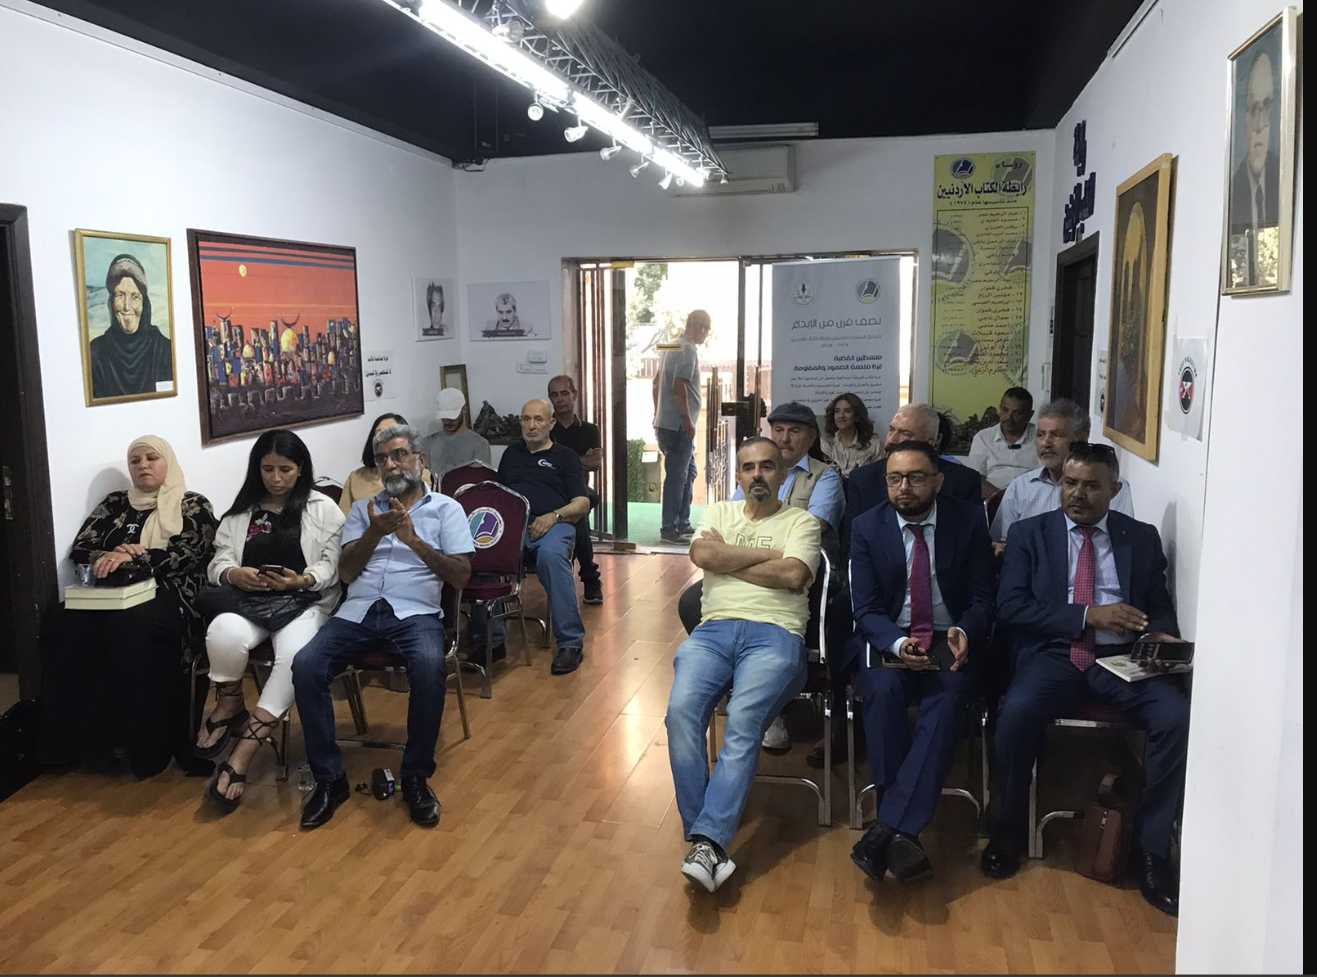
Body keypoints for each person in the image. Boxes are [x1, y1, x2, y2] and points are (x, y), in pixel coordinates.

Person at [982, 443, 1187, 916]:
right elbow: (1011, 607)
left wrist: (1160, 634)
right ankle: (1008, 828)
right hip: (1055, 654)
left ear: (1115, 489)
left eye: (1091, 485)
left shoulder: (1141, 537)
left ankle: (1151, 850)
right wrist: (1088, 615)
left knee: (1175, 716)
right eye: (1070, 483)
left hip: (1123, 657)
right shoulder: (1030, 534)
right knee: (1015, 713)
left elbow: (1159, 603)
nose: (1077, 494)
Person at [291, 423, 473, 829]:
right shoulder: (362, 510)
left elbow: (461, 576)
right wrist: (374, 532)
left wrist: (413, 540)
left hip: (415, 611)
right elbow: (346, 572)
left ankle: (416, 777)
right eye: (382, 458)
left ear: (419, 460)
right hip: (358, 611)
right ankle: (329, 779)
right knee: (306, 665)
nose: (391, 464)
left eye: (399, 455)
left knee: (429, 666)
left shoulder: (447, 509)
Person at [665, 438, 821, 892]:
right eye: (748, 467)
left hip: (776, 635)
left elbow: (794, 575)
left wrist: (728, 560)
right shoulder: (718, 512)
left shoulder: (802, 522)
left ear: (782, 474)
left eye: (767, 467)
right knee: (679, 715)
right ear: (737, 475)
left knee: (743, 720)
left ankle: (706, 842)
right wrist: (770, 557)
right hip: (713, 632)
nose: (757, 475)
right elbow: (702, 556)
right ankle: (707, 839)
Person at [847, 442, 995, 883]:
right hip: (891, 637)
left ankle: (888, 828)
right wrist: (896, 643)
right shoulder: (867, 526)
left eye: (915, 477)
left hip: (950, 638)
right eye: (894, 478)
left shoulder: (967, 521)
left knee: (946, 702)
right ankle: (902, 833)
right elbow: (865, 608)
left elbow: (984, 598)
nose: (904, 487)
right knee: (882, 692)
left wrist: (965, 630)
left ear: (938, 480)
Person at [36, 436, 217, 777]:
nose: (143, 465)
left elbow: (188, 555)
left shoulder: (192, 504)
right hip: (113, 592)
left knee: (132, 627)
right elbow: (81, 547)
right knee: (61, 620)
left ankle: (147, 750)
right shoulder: (115, 503)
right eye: (135, 460)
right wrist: (108, 554)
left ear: (167, 463)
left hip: (171, 592)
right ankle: (77, 745)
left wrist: (136, 557)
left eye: (152, 458)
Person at [195, 430, 345, 813]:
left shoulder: (323, 509)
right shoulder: (242, 511)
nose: (276, 479)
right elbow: (219, 559)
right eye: (267, 469)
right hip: (252, 601)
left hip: (305, 602)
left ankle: (244, 751)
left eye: (285, 470)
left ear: (301, 469)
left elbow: (333, 563)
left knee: (295, 657)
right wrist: (233, 573)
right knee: (222, 632)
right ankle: (230, 703)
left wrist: (302, 579)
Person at [486, 399, 592, 675]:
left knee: (551, 557)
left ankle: (570, 642)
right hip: (514, 526)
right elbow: (498, 495)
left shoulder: (565, 457)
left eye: (538, 419)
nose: (531, 426)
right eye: (526, 419)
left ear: (551, 423)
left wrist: (553, 516)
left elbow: (582, 503)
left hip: (555, 524)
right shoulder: (511, 454)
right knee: (481, 553)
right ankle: (491, 640)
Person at [990, 399, 1134, 549]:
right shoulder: (1021, 487)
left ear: (1081, 439)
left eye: (1056, 435)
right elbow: (1002, 543)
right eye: (1040, 435)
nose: (1046, 443)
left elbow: (1123, 542)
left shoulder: (1108, 486)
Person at [843, 403, 982, 549]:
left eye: (905, 434)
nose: (891, 440)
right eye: (891, 430)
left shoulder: (963, 481)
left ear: (930, 443)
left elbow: (973, 545)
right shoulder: (863, 480)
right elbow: (850, 545)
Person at [653, 310, 711, 543]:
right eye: (707, 329)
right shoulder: (687, 349)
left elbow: (656, 382)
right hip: (678, 426)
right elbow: (679, 386)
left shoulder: (671, 345)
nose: (707, 335)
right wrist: (687, 420)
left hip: (665, 423)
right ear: (701, 327)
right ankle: (669, 529)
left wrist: (657, 414)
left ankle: (682, 522)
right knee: (677, 477)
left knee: (688, 472)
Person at [547, 374, 603, 606]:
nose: (560, 399)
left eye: (565, 393)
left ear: (574, 395)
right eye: (554, 395)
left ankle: (581, 577)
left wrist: (561, 460)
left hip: (579, 490)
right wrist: (579, 459)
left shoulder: (589, 430)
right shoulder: (546, 428)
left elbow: (595, 463)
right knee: (579, 518)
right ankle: (590, 578)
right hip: (551, 491)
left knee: (579, 510)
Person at [88, 253, 174, 400]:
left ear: (144, 304)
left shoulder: (164, 350)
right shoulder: (96, 352)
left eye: (135, 296)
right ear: (111, 302)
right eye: (120, 295)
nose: (127, 306)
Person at [1228, 50, 1281, 286]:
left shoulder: (1282, 183)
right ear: (1244, 119)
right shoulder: (1234, 193)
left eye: (1267, 107)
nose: (1260, 124)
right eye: (1254, 109)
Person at [339, 412, 434, 514]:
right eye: (379, 434)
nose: (386, 438)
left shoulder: (420, 474)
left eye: (392, 433)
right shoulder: (355, 478)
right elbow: (343, 518)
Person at [966, 387, 1039, 497]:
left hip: (1032, 498)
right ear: (999, 409)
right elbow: (975, 478)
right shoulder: (983, 438)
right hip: (993, 500)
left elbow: (1049, 475)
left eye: (1017, 413)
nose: (1009, 417)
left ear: (1029, 415)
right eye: (1005, 410)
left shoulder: (1042, 437)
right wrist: (1003, 499)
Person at [419, 389, 492, 479]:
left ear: (464, 409)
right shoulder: (426, 444)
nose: (448, 421)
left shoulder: (479, 445)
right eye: (444, 416)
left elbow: (480, 481)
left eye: (453, 416)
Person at [821, 392, 883, 476]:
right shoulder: (825, 442)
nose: (841, 415)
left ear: (857, 416)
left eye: (847, 411)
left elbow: (881, 474)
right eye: (837, 411)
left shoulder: (873, 444)